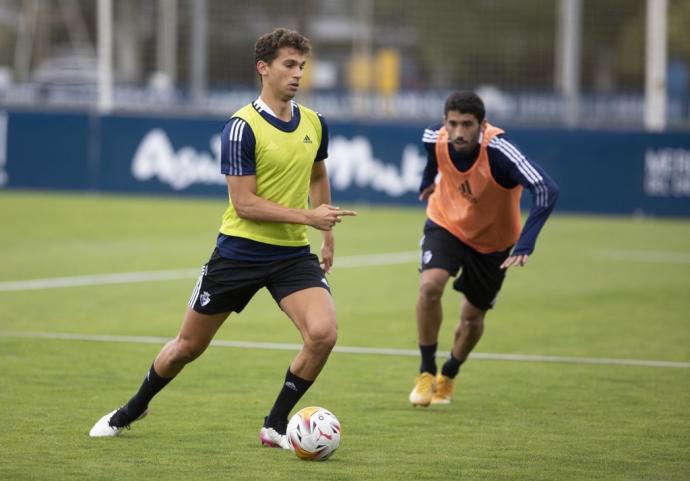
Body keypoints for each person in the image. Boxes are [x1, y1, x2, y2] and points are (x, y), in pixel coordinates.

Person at [89, 28, 356, 449]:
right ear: (263, 68)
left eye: (302, 66)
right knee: (186, 348)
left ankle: (275, 424)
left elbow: (318, 174)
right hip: (238, 253)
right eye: (289, 65)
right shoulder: (241, 127)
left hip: (291, 255)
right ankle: (133, 407)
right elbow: (245, 203)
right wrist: (309, 215)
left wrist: (326, 234)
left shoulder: (315, 123)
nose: (297, 74)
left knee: (323, 334)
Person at [409, 91, 559, 407]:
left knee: (471, 319)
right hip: (446, 223)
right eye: (453, 124)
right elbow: (431, 156)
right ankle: (426, 372)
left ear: (482, 124)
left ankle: (448, 374)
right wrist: (427, 180)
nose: (459, 132)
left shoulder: (499, 151)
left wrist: (526, 242)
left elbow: (546, 188)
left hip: (493, 242)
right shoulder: (434, 136)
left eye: (467, 124)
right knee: (429, 287)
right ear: (445, 123)